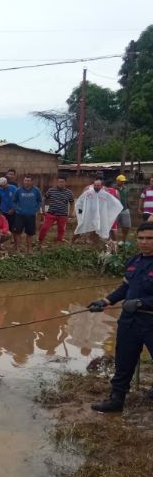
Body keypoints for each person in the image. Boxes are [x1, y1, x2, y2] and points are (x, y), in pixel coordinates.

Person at [87, 223, 153, 412]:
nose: (144, 242)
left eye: (149, 238)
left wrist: (141, 303)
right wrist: (105, 301)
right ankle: (116, 400)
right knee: (124, 362)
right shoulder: (134, 261)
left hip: (151, 321)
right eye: (141, 238)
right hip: (129, 321)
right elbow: (125, 287)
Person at [74, 177, 123, 242]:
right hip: (89, 213)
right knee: (81, 227)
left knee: (98, 228)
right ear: (93, 184)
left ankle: (95, 242)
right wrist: (80, 211)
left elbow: (114, 202)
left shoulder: (105, 192)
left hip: (100, 214)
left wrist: (114, 211)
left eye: (98, 185)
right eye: (95, 185)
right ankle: (73, 241)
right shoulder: (88, 191)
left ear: (102, 186)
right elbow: (80, 201)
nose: (96, 186)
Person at [38, 176, 74, 245]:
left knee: (61, 230)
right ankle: (40, 242)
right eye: (59, 182)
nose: (60, 183)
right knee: (44, 228)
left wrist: (71, 213)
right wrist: (43, 209)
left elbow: (72, 203)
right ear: (57, 182)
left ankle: (58, 243)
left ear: (65, 183)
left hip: (63, 215)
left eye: (62, 182)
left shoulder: (69, 192)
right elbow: (44, 199)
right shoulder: (51, 190)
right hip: (51, 213)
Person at [11, 175, 42, 254]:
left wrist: (36, 209)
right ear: (23, 181)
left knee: (30, 233)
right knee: (18, 232)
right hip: (20, 215)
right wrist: (18, 209)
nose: (27, 182)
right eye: (25, 180)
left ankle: (29, 249)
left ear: (32, 182)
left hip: (31, 215)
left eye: (28, 181)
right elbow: (13, 201)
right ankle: (18, 249)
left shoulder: (36, 190)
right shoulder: (18, 190)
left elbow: (39, 201)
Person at [116, 174, 132, 244]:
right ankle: (114, 241)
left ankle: (124, 240)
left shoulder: (126, 189)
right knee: (114, 226)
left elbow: (126, 198)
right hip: (115, 210)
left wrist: (128, 206)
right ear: (117, 181)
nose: (123, 182)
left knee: (127, 226)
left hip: (125, 209)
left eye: (123, 181)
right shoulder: (113, 189)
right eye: (121, 181)